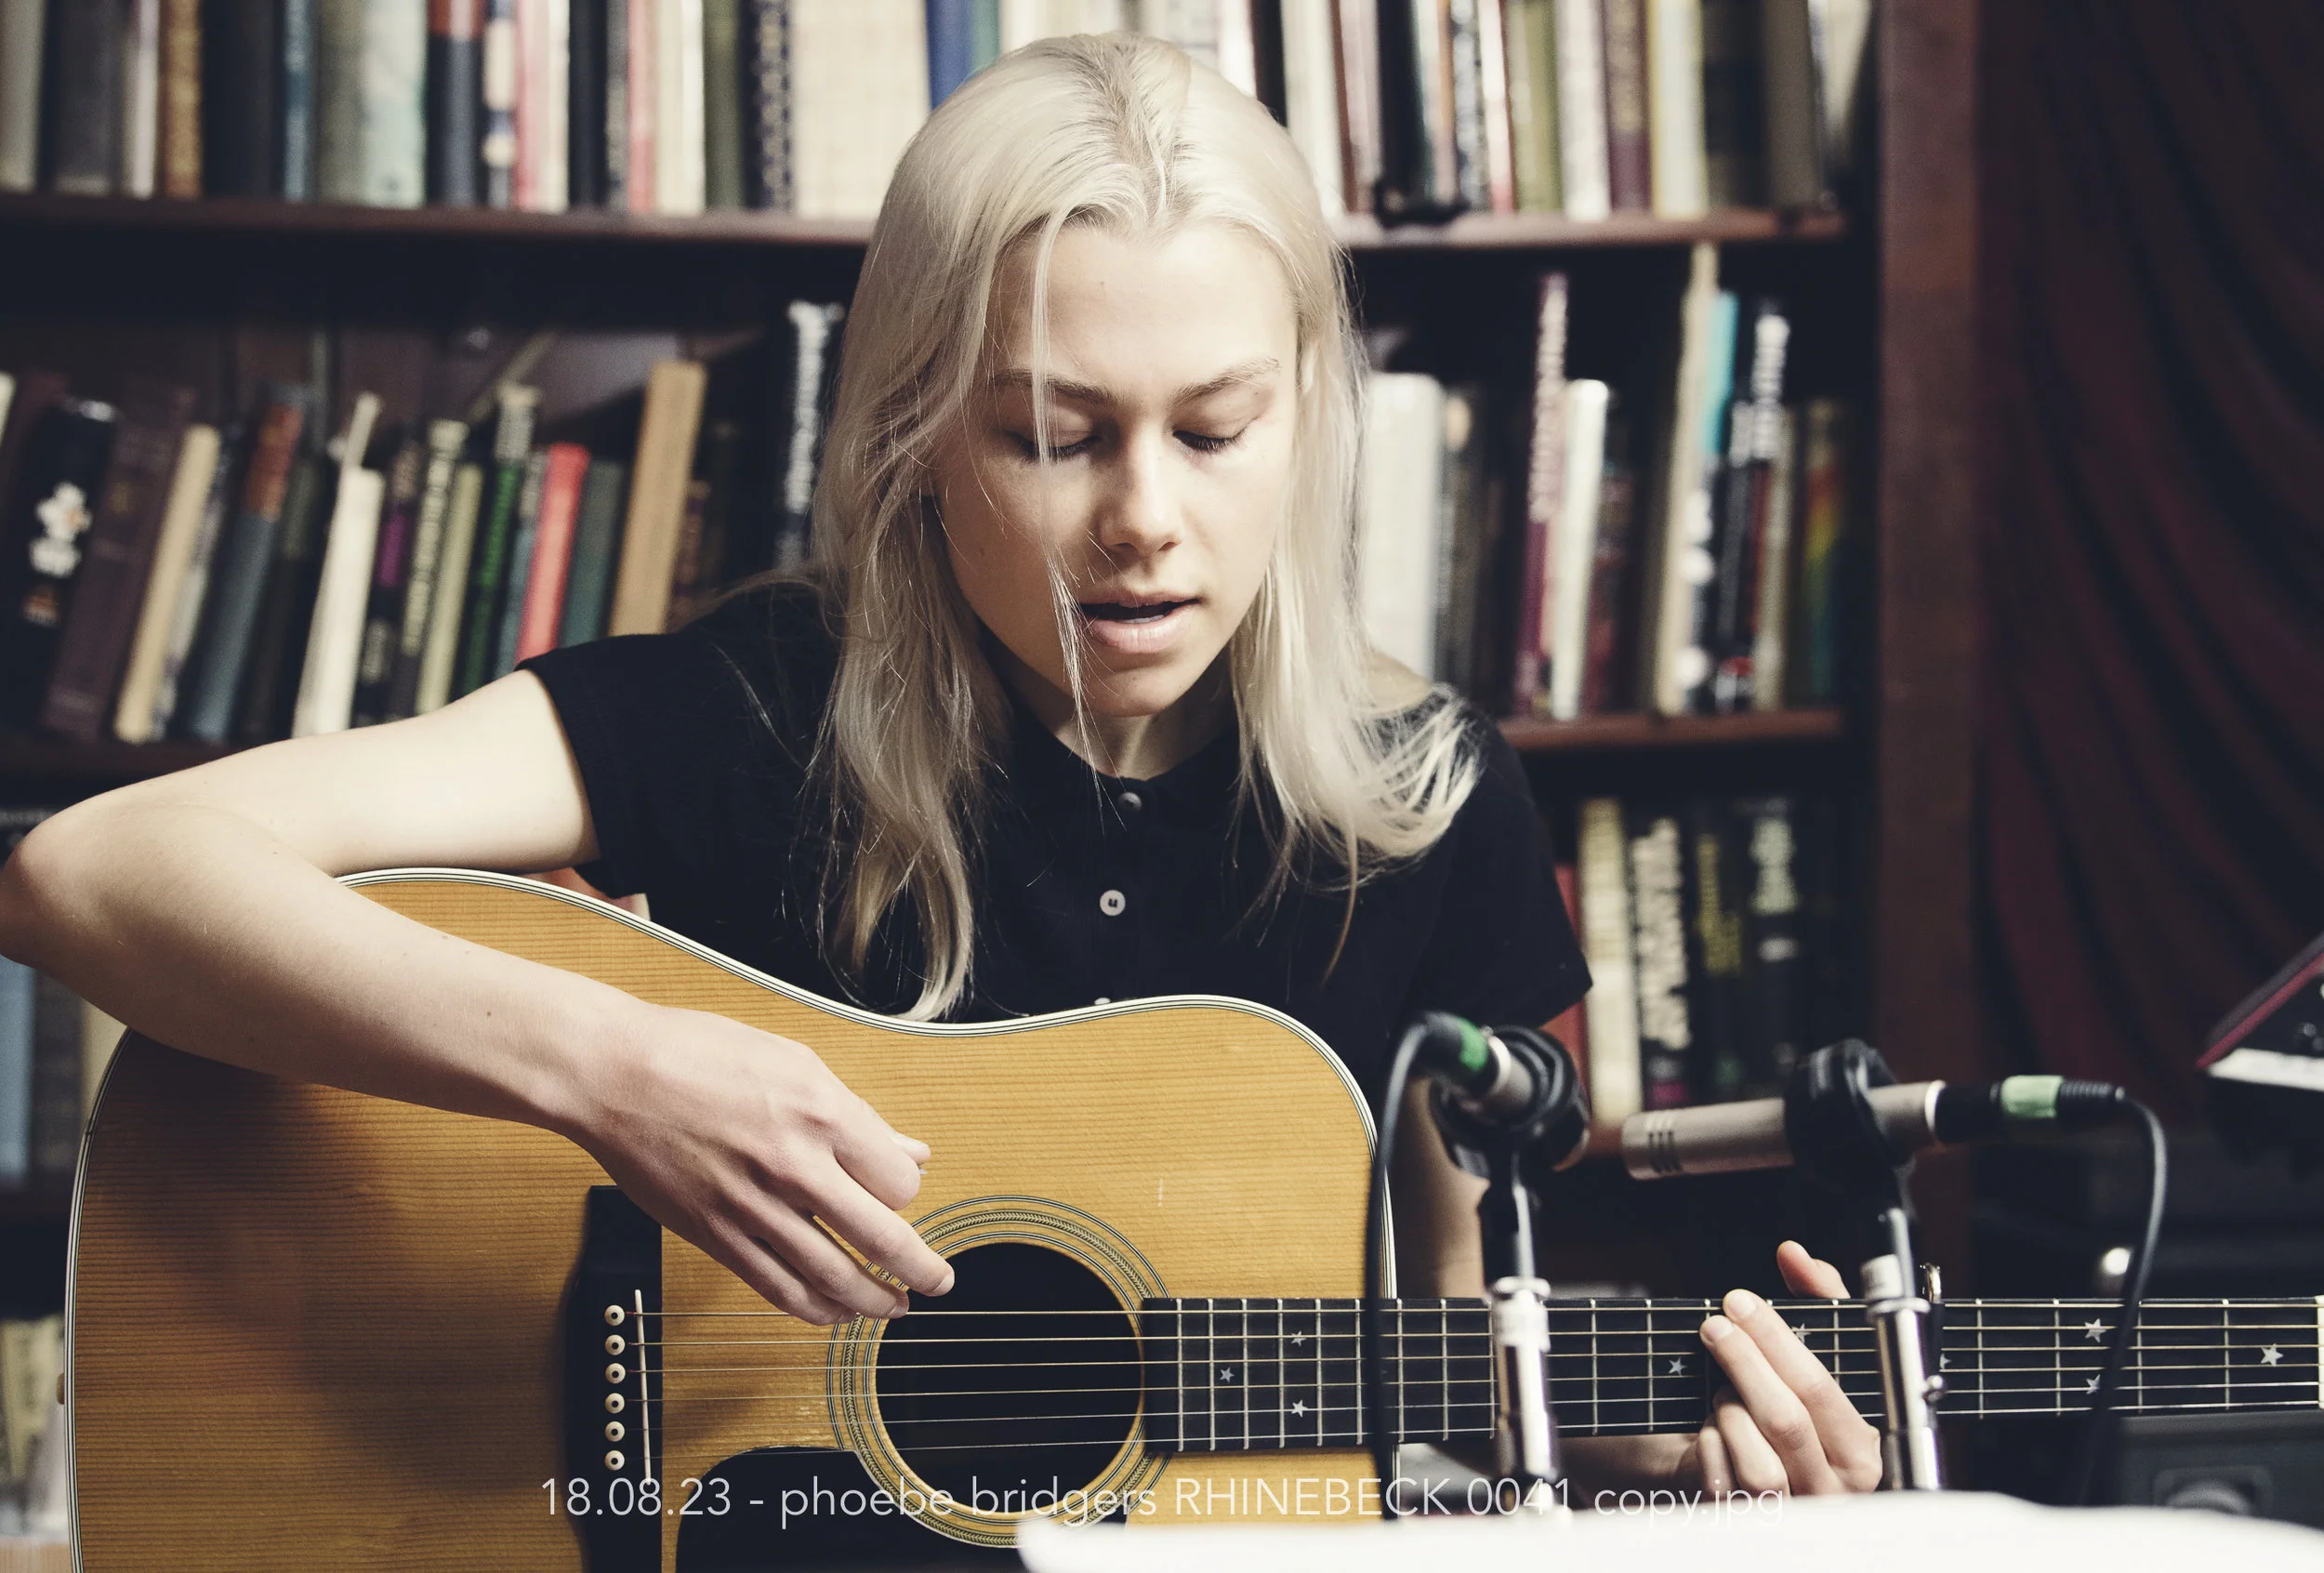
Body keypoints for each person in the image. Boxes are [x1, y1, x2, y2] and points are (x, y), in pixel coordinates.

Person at [0, 33, 1877, 1500]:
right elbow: (93, 871)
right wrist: (610, 1074)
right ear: (912, 430)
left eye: (1215, 431)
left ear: (1308, 409)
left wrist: (1694, 1443)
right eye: (1053, 437)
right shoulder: (751, 711)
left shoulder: (1430, 795)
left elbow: (1458, 1333)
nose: (1145, 524)